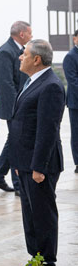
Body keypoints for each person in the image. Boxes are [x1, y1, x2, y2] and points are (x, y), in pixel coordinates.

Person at [7, 39, 65, 266]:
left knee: (43, 216)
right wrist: (18, 163)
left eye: (24, 54)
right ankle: (36, 259)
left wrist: (39, 167)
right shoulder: (32, 81)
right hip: (25, 162)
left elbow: (47, 130)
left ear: (37, 59)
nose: (20, 57)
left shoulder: (51, 86)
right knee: (30, 216)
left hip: (40, 165)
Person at [0, 21, 32, 193]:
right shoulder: (6, 52)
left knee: (14, 141)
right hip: (14, 107)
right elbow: (6, 84)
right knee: (16, 143)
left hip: (19, 104)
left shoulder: (20, 51)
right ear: (22, 34)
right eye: (30, 33)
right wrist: (19, 105)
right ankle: (18, 184)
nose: (31, 36)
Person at [61, 29, 78, 174]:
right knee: (77, 133)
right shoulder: (70, 57)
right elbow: (73, 81)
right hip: (76, 102)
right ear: (75, 39)